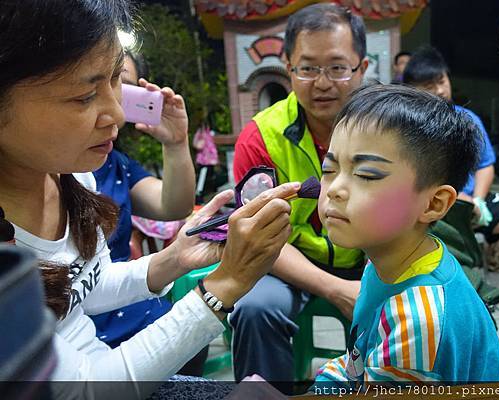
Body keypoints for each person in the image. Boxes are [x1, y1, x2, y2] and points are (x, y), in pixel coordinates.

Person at [0, 1, 300, 398]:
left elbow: (85, 285)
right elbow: (89, 390)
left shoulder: (69, 175)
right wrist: (225, 284)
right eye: (85, 96)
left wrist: (174, 258)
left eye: (114, 82)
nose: (118, 115)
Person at [313, 85, 499, 387]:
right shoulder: (393, 258)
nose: (334, 188)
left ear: (433, 203)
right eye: (329, 168)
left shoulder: (418, 321)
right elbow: (359, 359)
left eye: (366, 175)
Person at [231, 3, 368, 387]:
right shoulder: (261, 137)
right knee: (255, 308)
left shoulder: (388, 128)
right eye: (307, 68)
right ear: (288, 67)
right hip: (290, 261)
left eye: (338, 68)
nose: (322, 83)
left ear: (363, 69)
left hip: (371, 258)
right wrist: (335, 289)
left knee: (403, 308)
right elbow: (262, 236)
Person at [403, 45, 499, 321]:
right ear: (411, 89)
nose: (438, 91)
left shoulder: (467, 119)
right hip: (431, 208)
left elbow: (485, 164)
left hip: (472, 203)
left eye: (441, 81)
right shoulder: (408, 126)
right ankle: (459, 296)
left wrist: (480, 201)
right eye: (428, 85)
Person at [90, 49, 195, 348]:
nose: (114, 105)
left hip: (134, 303)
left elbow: (173, 205)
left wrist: (176, 144)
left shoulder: (116, 164)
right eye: (96, 85)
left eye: (121, 85)